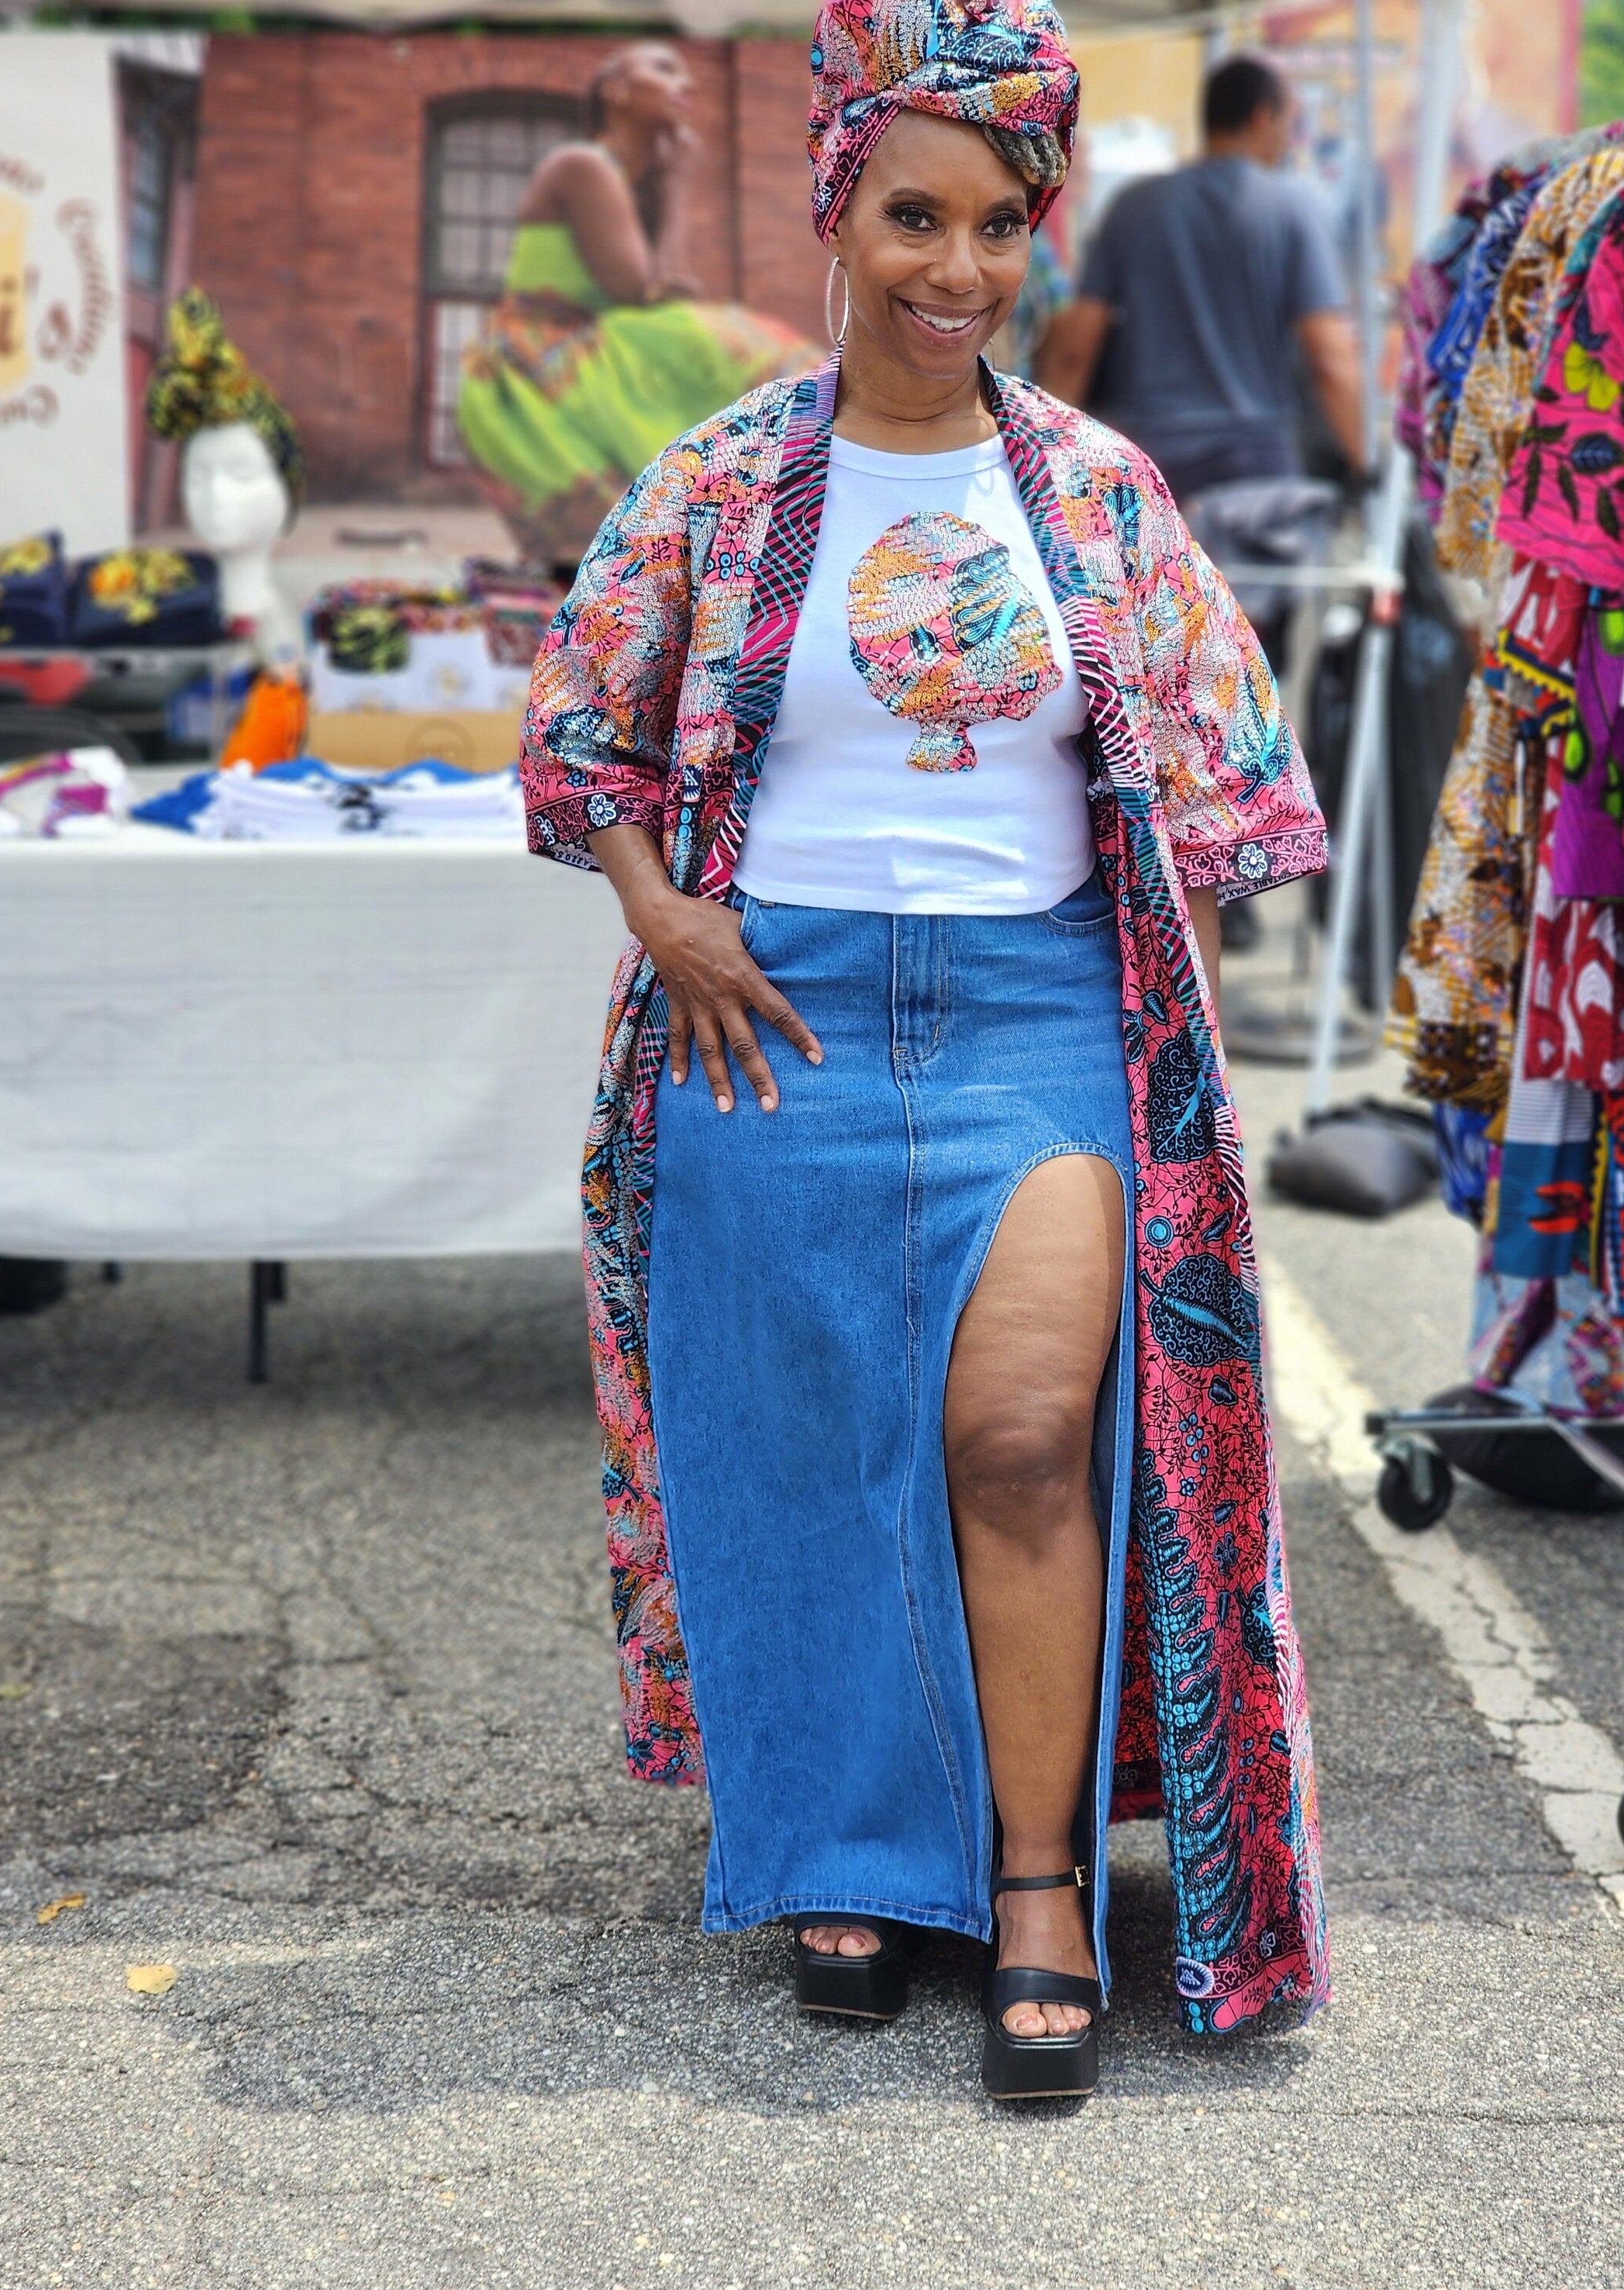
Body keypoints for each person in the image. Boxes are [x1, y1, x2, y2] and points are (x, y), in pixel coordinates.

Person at [522, 0, 1329, 2102]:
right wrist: (660, 907)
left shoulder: (1098, 493)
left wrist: (1166, 988)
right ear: (837, 212)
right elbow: (584, 732)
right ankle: (859, 1855)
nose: (955, 268)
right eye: (912, 217)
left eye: (995, 225)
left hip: (1035, 1020)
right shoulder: (719, 481)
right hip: (765, 1012)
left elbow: (1226, 778)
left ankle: (1038, 1883)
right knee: (808, 1450)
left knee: (1019, 1437)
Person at [457, 41, 816, 571]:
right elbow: (645, 291)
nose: (686, 85)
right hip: (532, 365)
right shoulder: (584, 165)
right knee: (722, 344)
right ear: (617, 91)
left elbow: (670, 289)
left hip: (587, 349)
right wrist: (679, 185)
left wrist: (669, 189)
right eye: (664, 69)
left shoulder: (629, 183)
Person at [1035, 51, 1365, 503]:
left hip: (1153, 466)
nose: (1290, 140)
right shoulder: (1293, 209)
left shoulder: (1134, 207)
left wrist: (1047, 459)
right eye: (1289, 124)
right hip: (1259, 466)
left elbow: (1075, 351)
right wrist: (1365, 462)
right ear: (1262, 118)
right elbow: (1331, 356)